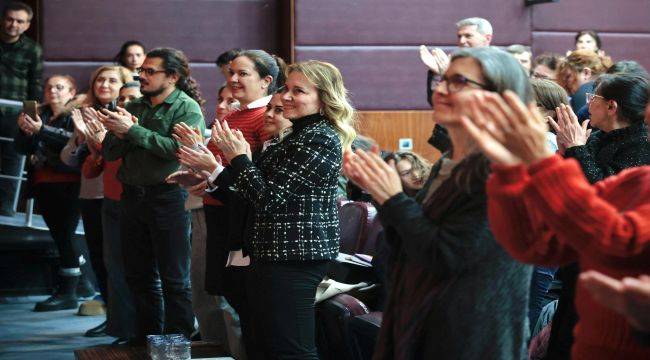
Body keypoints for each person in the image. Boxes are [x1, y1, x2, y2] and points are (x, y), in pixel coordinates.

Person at [344, 47, 532, 359]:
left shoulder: (502, 169)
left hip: (468, 335)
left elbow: (446, 255)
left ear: (500, 97)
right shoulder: (449, 160)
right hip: (421, 321)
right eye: (442, 80)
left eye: (458, 82)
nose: (441, 89)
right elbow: (412, 242)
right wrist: (384, 197)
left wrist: (393, 199)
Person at [457, 87, 650, 359]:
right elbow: (538, 243)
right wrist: (510, 167)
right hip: (577, 331)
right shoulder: (637, 180)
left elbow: (614, 238)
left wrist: (542, 162)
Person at [204, 59, 355, 359]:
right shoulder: (297, 134)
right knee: (265, 345)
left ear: (323, 99)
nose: (285, 97)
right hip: (273, 254)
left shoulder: (318, 138)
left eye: (298, 91)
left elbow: (268, 198)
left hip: (295, 257)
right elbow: (252, 191)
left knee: (291, 350)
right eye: (287, 88)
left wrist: (239, 158)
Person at [101, 47, 205, 344]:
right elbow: (110, 152)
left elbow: (178, 151)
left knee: (174, 278)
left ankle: (178, 339)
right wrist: (119, 132)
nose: (142, 76)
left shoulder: (186, 108)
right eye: (141, 71)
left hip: (167, 197)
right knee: (138, 274)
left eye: (150, 72)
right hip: (132, 195)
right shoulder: (134, 106)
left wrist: (132, 133)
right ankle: (145, 337)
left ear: (172, 77)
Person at [60, 65, 133, 336]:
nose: (104, 84)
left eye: (112, 80)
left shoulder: (129, 114)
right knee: (99, 259)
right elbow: (67, 159)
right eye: (100, 79)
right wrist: (81, 138)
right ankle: (112, 315)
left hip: (119, 195)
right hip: (91, 193)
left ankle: (126, 319)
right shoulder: (84, 114)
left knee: (119, 261)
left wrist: (99, 140)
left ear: (123, 87)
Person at [14, 75, 81, 311]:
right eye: (50, 86)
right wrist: (25, 132)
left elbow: (72, 144)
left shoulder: (77, 114)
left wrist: (42, 131)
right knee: (60, 235)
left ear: (72, 91)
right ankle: (82, 286)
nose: (53, 91)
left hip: (69, 183)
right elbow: (21, 149)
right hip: (43, 182)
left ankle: (68, 292)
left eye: (60, 87)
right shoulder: (38, 114)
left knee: (64, 236)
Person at [0, 1, 43, 216]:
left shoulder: (32, 49)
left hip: (14, 113)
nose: (13, 24)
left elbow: (35, 84)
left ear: (27, 25)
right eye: (9, 19)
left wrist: (30, 115)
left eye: (19, 21)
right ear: (2, 20)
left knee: (13, 159)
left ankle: (6, 210)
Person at [421, 17, 493, 105]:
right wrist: (438, 74)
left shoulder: (500, 64)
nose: (462, 41)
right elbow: (435, 102)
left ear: (487, 39)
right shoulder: (456, 63)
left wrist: (448, 76)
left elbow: (480, 102)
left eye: (468, 36)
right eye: (459, 36)